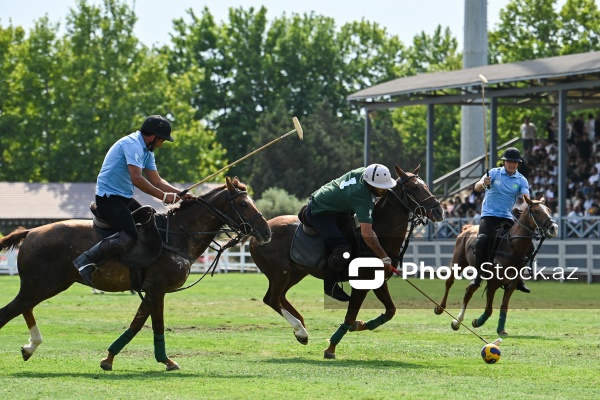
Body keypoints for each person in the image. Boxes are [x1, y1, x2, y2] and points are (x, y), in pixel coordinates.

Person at [73, 115, 194, 286]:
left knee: (150, 222)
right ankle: (85, 260)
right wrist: (164, 197)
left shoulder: (147, 150)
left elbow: (157, 180)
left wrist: (180, 194)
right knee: (129, 235)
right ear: (153, 137)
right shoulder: (132, 145)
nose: (162, 144)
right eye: (162, 140)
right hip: (108, 198)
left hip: (123, 198)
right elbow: (136, 178)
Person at [305, 164, 396, 301]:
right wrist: (384, 257)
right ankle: (329, 285)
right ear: (370, 184)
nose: (385, 189)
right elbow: (367, 233)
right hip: (320, 211)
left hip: (337, 208)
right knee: (343, 250)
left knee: (355, 246)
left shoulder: (364, 172)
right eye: (381, 187)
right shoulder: (361, 197)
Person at [470, 147, 532, 293]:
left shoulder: (521, 180)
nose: (512, 164)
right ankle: (477, 275)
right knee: (482, 241)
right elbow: (477, 187)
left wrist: (521, 208)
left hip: (506, 216)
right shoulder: (493, 173)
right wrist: (484, 183)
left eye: (515, 162)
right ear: (504, 162)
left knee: (527, 245)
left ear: (518, 164)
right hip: (489, 215)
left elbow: (526, 199)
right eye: (509, 161)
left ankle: (518, 279)